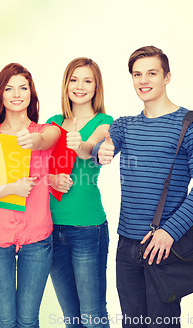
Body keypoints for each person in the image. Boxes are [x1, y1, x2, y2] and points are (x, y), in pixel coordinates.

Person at [92, 46, 193, 328]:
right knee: (131, 324)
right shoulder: (126, 125)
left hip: (165, 247)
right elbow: (101, 148)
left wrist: (169, 232)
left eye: (151, 73)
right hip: (126, 246)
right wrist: (100, 150)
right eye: (137, 74)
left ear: (167, 77)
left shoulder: (191, 123)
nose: (143, 80)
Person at [0, 63, 60, 328]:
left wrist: (54, 175)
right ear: (0, 94)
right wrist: (10, 188)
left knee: (28, 321)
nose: (17, 94)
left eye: (23, 87)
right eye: (9, 88)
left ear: (31, 93)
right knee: (5, 321)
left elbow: (52, 143)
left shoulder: (45, 133)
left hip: (38, 237)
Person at [46, 57, 113, 328]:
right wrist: (52, 179)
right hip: (51, 228)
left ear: (96, 87)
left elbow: (91, 150)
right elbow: (38, 171)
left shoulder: (105, 122)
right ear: (66, 85)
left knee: (93, 317)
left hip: (88, 228)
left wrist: (80, 144)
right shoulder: (52, 122)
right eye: (74, 79)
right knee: (72, 319)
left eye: (87, 80)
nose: (80, 86)